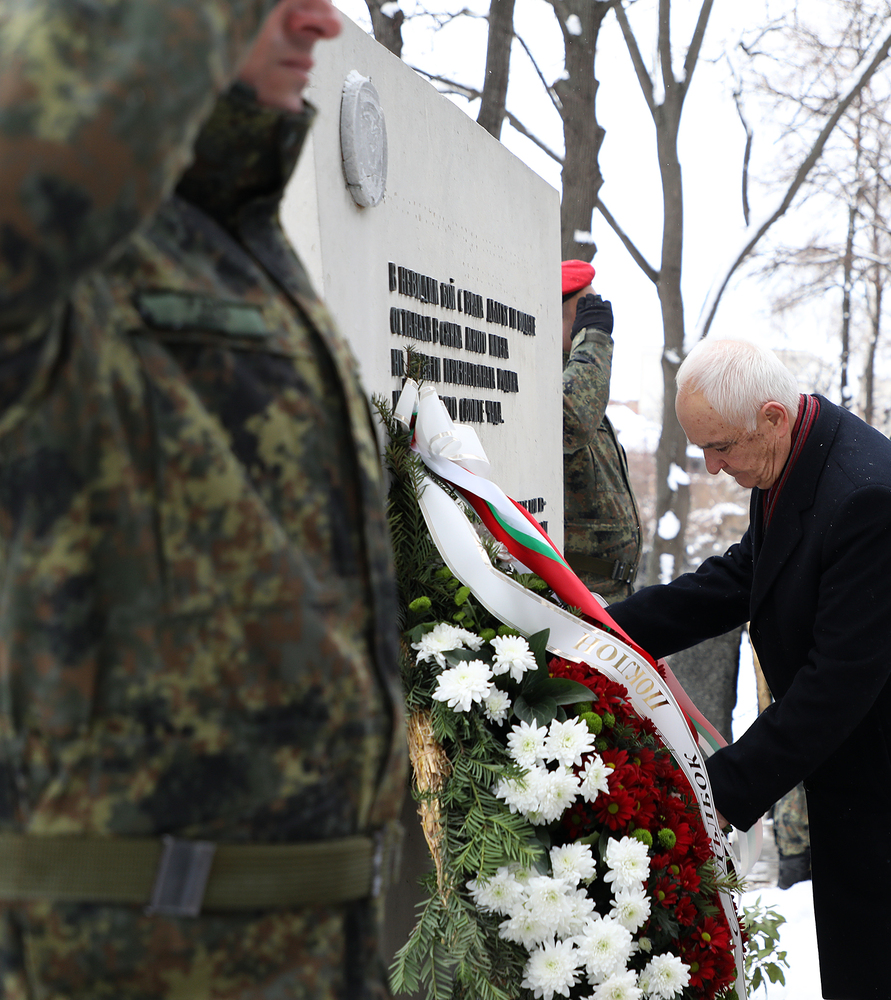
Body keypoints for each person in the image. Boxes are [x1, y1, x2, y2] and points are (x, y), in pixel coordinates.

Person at [0, 2, 408, 998]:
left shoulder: (240, 240)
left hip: (305, 948)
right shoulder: (69, 249)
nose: (319, 19)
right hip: (129, 957)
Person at [609, 337, 891, 1000]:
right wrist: (609, 626)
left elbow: (836, 684)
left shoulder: (863, 496)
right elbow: (744, 576)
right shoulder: (792, 454)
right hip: (849, 780)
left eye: (720, 448)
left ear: (770, 416)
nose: (710, 467)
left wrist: (715, 794)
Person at [561, 260, 642, 601]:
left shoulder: (578, 381)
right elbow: (573, 419)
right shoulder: (562, 389)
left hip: (607, 593)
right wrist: (592, 340)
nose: (592, 318)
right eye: (583, 311)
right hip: (577, 594)